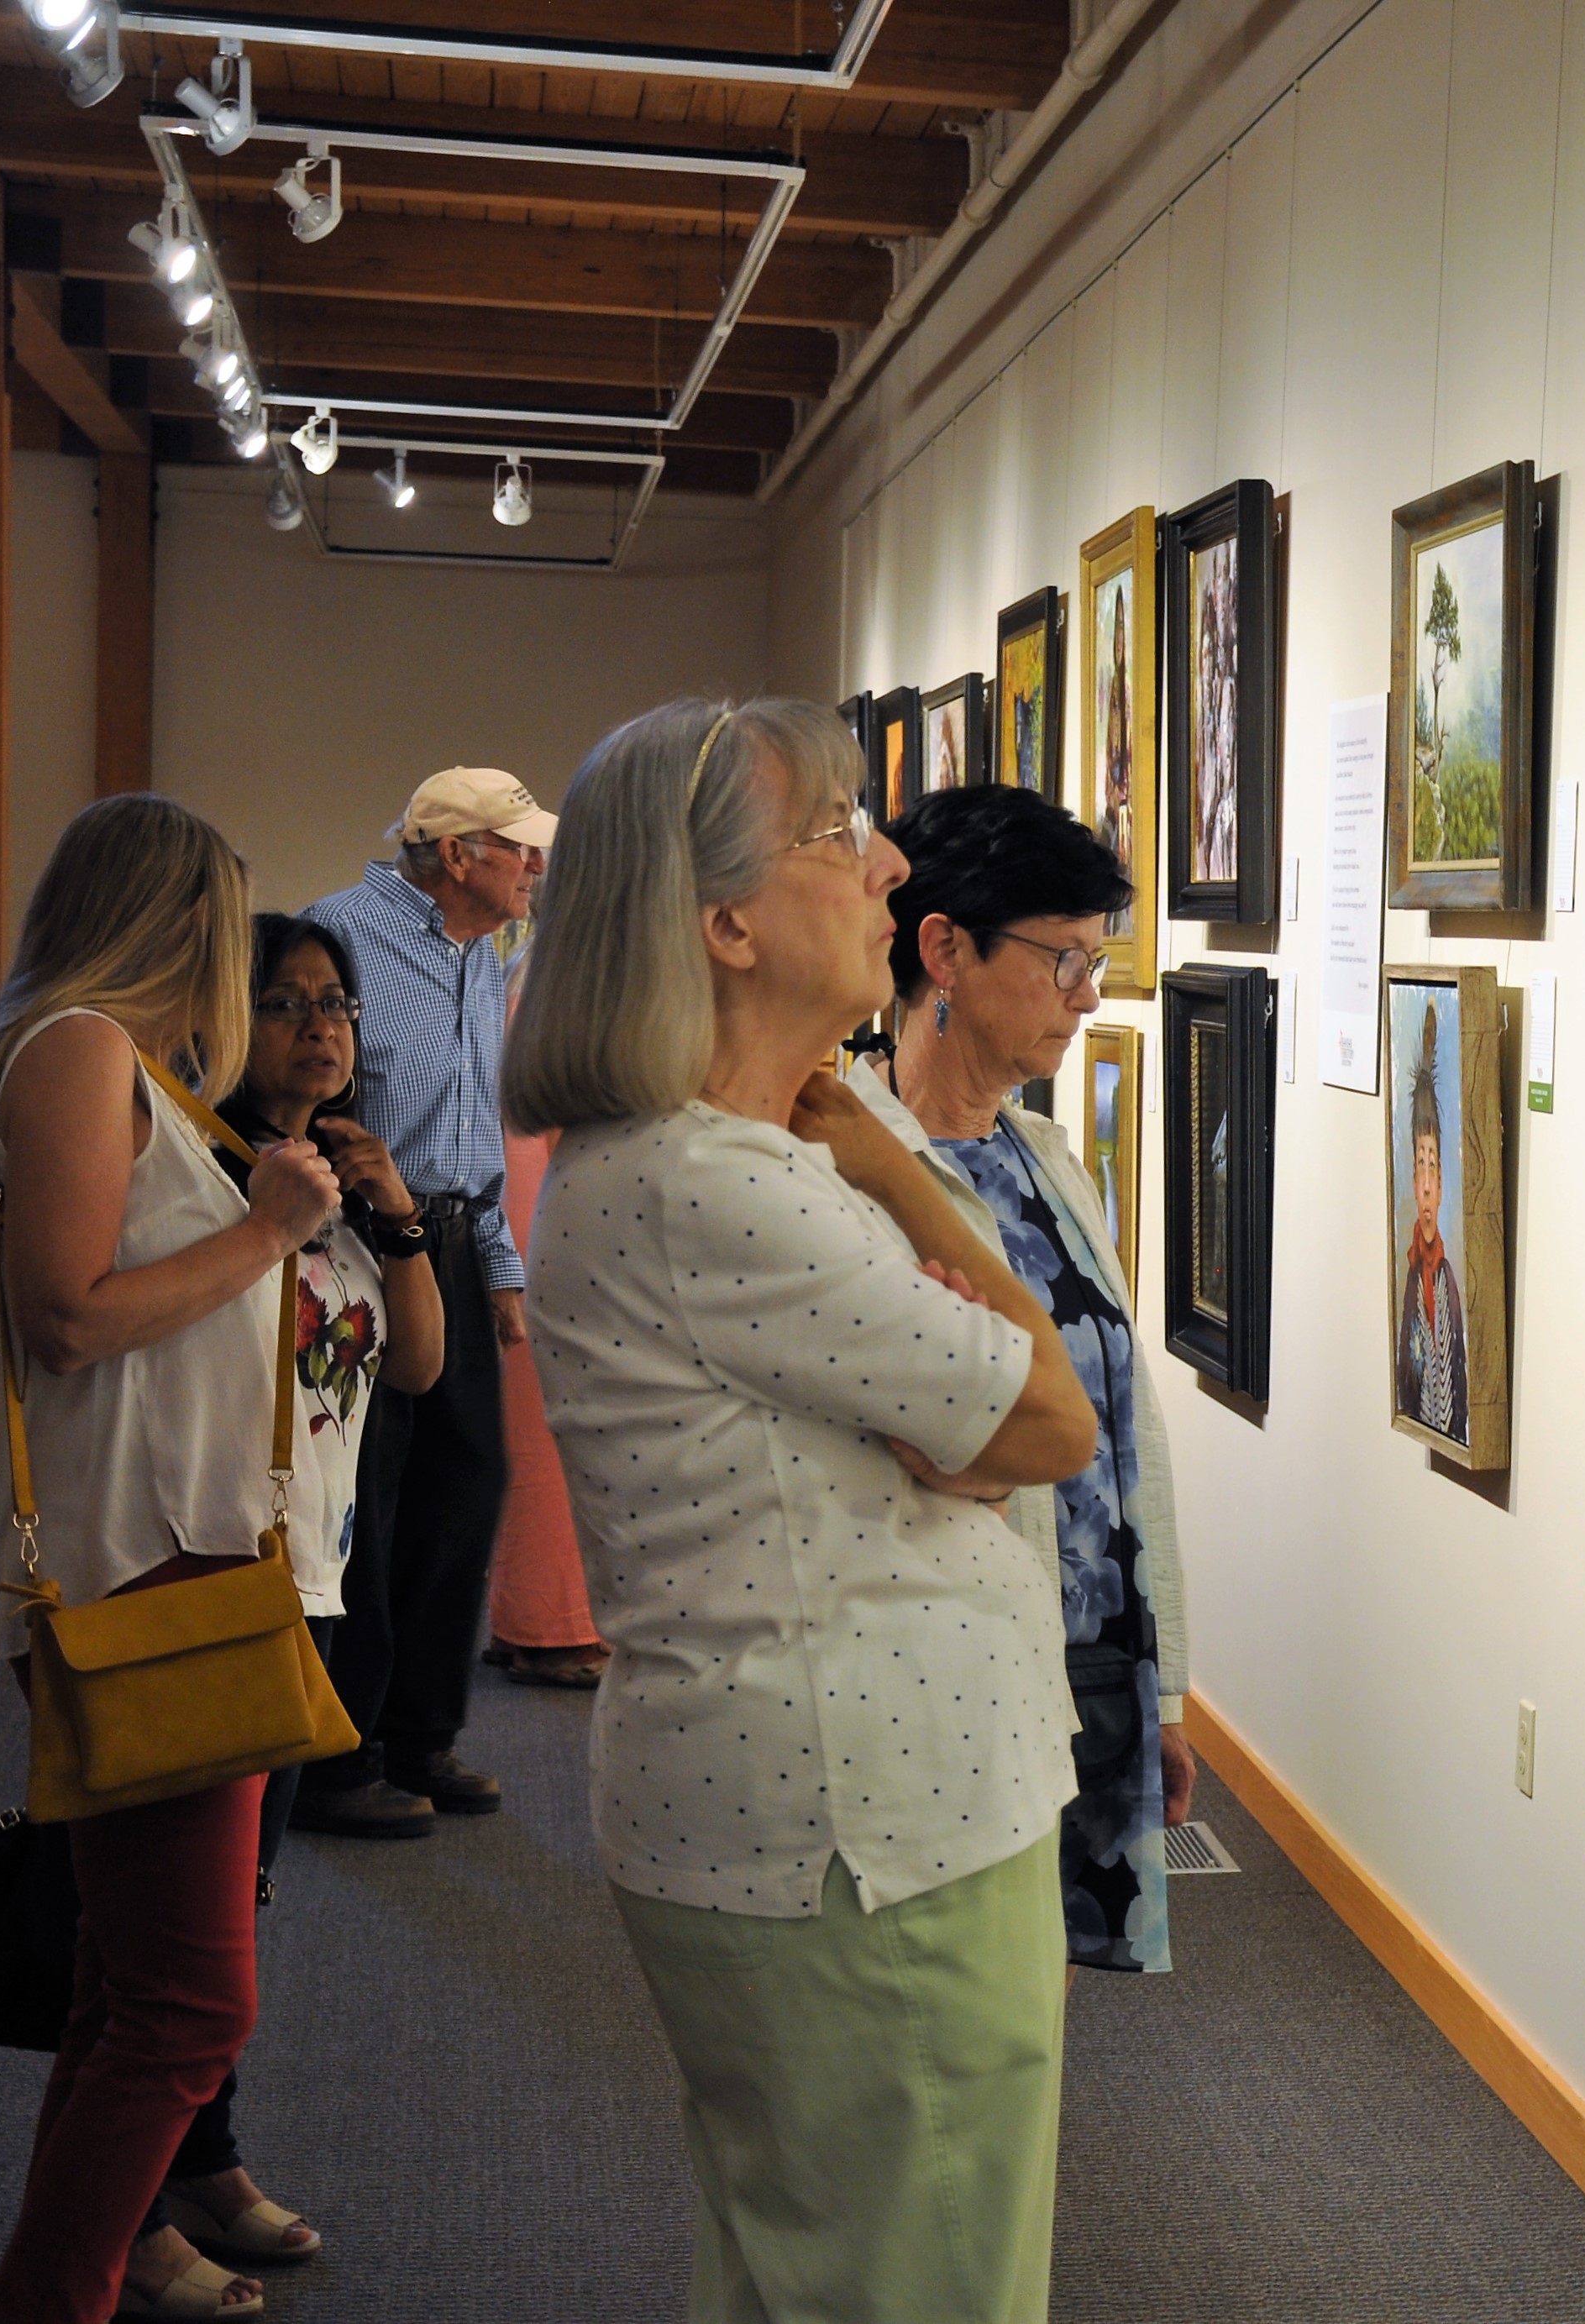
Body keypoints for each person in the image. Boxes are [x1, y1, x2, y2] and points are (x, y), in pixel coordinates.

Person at [507, 697, 1097, 2323]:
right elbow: (1050, 1417)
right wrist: (905, 1185)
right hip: (867, 1837)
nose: (885, 863)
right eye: (837, 835)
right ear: (726, 924)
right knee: (915, 2282)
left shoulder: (696, 1164)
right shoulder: (724, 1184)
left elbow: (986, 1429)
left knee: (803, 2270)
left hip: (818, 1819)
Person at [0, 795, 343, 2323]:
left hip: (169, 1551)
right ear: (175, 918)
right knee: (188, 1999)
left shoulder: (87, 1057)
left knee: (130, 1981)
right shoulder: (77, 1052)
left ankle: (68, 2276)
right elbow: (72, 1314)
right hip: (142, 1566)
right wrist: (269, 1225)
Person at [102, 913, 450, 2313]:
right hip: (206, 1579)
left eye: (337, 1006)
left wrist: (398, 1211)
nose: (321, 1029)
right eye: (287, 1002)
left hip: (309, 1585)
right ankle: (131, 2207)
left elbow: (417, 1366)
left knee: (238, 1905)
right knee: (176, 1938)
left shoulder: (341, 1180)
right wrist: (279, 1212)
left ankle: (206, 2160)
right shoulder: (197, 1169)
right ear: (224, 1018)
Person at [878, 784, 1198, 1976]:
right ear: (942, 948)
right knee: (951, 1993)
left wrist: (1166, 1687)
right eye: (1062, 959)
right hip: (943, 1673)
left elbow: (1127, 1427)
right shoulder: (850, 1165)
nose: (1089, 993)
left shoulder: (1048, 1155)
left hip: (1092, 1649)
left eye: (1096, 959)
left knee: (1029, 2002)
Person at [294, 765, 552, 1834]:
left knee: (463, 1486)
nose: (536, 865)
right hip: (355, 1244)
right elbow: (302, 1095)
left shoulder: (484, 952)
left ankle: (420, 1736)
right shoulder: (338, 934)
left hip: (449, 1241)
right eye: (518, 847)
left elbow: (473, 1132)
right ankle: (336, 1754)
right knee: (369, 1502)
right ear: (457, 856)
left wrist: (495, 1264)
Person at [480, 1100, 608, 1688]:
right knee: (546, 1392)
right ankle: (555, 1630)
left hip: (518, 1127)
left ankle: (531, 1619)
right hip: (543, 1126)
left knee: (531, 1402)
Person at [1393, 1007, 1467, 1440]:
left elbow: (1456, 1375)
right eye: (1418, 1166)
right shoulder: (1409, 1284)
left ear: (1441, 1186)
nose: (1424, 1186)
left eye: (1432, 1168)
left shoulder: (1448, 1284)